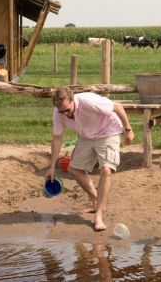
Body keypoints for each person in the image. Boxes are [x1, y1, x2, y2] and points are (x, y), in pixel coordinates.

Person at [45, 86, 134, 231]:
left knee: (105, 170)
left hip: (108, 131)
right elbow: (57, 137)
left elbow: (117, 107)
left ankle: (99, 215)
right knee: (74, 169)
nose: (65, 114)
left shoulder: (89, 101)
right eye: (61, 112)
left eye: (67, 110)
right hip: (87, 135)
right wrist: (52, 166)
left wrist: (128, 130)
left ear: (73, 100)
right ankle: (97, 200)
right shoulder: (58, 113)